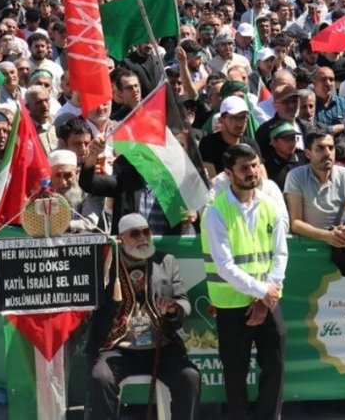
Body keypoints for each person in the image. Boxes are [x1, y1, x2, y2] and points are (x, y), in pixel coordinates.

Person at [201, 144, 287, 420]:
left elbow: (280, 254)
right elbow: (225, 266)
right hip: (231, 304)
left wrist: (266, 297)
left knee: (275, 365)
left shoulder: (271, 205)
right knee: (235, 372)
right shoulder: (215, 212)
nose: (252, 172)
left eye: (254, 165)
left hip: (268, 300)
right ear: (228, 173)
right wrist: (263, 292)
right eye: (244, 167)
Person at [86, 214, 199, 420]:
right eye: (135, 234)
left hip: (160, 345)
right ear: (121, 238)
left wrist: (174, 310)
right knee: (100, 378)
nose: (142, 238)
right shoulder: (106, 264)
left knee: (189, 377)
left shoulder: (166, 262)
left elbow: (184, 301)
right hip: (119, 349)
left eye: (146, 232)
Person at [282, 131, 345, 248]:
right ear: (308, 154)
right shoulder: (295, 176)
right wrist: (327, 236)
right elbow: (295, 223)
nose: (327, 153)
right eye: (320, 148)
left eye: (331, 148)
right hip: (308, 246)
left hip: (339, 244)